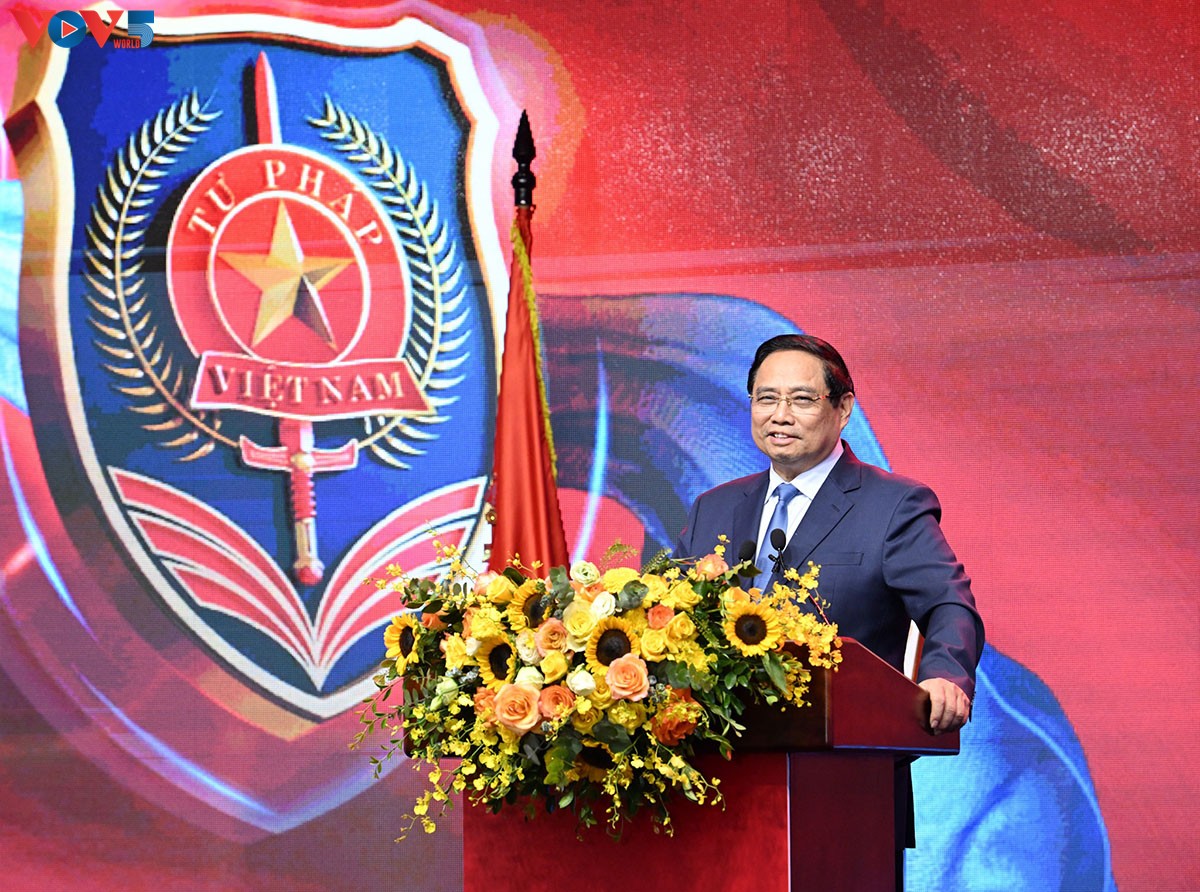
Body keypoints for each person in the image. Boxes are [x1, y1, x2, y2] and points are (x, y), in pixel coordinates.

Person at [675, 333, 984, 734]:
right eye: (766, 399)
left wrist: (944, 675)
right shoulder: (713, 508)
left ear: (843, 408)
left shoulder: (893, 505)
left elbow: (949, 604)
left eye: (802, 400)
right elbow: (669, 614)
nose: (780, 415)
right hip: (720, 751)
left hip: (847, 746)